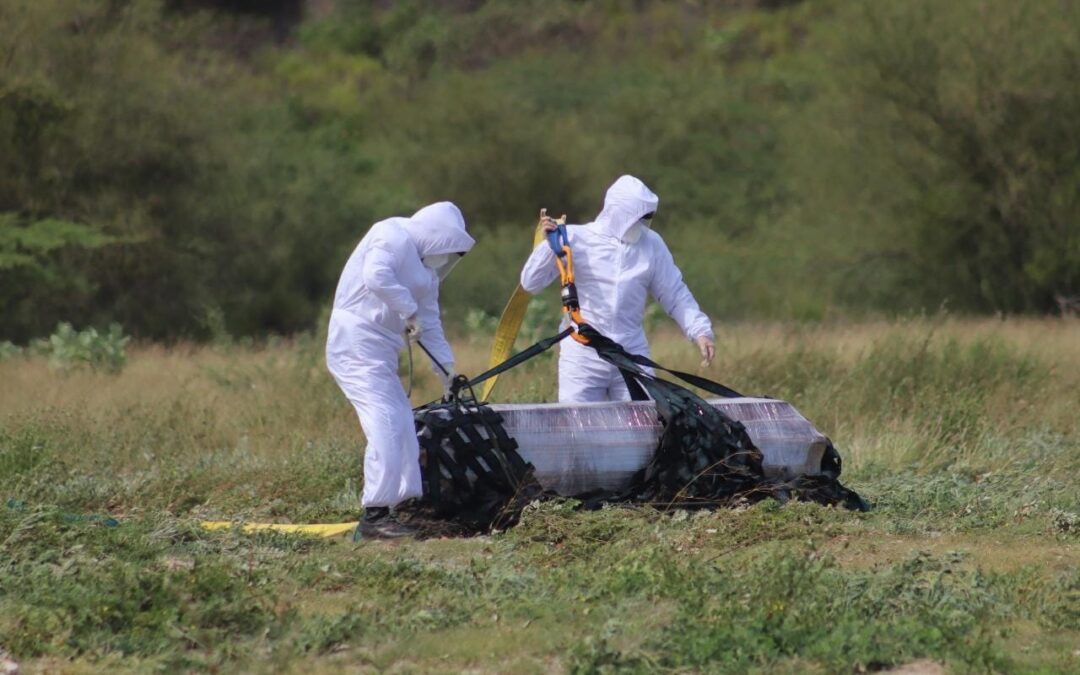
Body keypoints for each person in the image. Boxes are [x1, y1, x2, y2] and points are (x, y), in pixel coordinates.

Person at [326, 202, 475, 539]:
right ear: (436, 236)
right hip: (355, 342)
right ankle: (375, 516)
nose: (445, 258)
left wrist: (447, 372)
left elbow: (430, 324)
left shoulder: (427, 274)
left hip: (382, 348)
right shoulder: (390, 234)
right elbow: (376, 276)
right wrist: (408, 311)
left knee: (403, 423)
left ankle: (401, 506)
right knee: (387, 422)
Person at [520, 175, 715, 403]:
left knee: (644, 425)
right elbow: (530, 282)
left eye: (647, 217)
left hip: (631, 354)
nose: (642, 224)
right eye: (638, 217)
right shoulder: (574, 238)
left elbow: (675, 293)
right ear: (619, 212)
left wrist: (700, 331)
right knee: (579, 428)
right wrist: (548, 245)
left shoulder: (652, 244)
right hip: (583, 356)